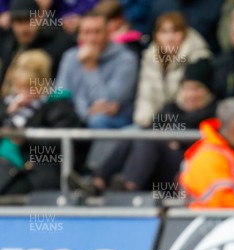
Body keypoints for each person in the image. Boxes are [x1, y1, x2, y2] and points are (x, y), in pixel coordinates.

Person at [69, 59, 216, 195]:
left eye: (196, 89)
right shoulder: (172, 108)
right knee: (136, 135)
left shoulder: (212, 113)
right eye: (187, 88)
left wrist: (177, 141)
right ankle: (97, 183)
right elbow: (150, 128)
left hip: (186, 168)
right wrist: (170, 141)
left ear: (207, 91)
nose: (190, 94)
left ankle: (130, 187)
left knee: (149, 140)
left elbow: (208, 144)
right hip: (160, 161)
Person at [54, 9, 138, 171]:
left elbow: (106, 101)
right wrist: (84, 112)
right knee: (57, 118)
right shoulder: (70, 57)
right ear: (80, 35)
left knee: (98, 120)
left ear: (108, 33)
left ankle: (96, 174)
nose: (91, 38)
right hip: (80, 116)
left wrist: (90, 67)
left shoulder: (126, 59)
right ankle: (57, 176)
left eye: (97, 32)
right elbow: (61, 94)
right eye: (86, 32)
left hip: (117, 121)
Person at [0, 50, 82, 195]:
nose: (24, 93)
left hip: (37, 172)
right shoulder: (9, 105)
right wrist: (8, 113)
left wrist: (25, 140)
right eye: (20, 87)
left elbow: (61, 148)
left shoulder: (58, 107)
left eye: (30, 88)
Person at [133, 11, 211, 128]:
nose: (169, 38)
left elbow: (188, 102)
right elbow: (146, 97)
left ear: (184, 33)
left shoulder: (199, 59)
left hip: (186, 125)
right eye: (164, 32)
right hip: (155, 124)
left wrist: (158, 125)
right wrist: (145, 123)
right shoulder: (150, 58)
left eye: (175, 31)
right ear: (156, 35)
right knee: (129, 137)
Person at [0, 0, 76, 93]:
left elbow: (64, 90)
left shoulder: (61, 45)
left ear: (40, 18)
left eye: (30, 20)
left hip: (47, 102)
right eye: (19, 21)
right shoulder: (9, 45)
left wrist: (42, 98)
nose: (24, 28)